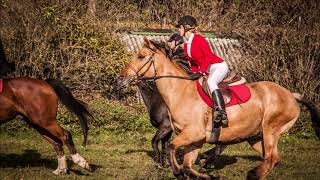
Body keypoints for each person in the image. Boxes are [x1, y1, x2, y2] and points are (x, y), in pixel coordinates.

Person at [175, 15, 229, 126]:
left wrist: (201, 71)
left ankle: (221, 112)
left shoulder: (199, 39)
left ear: (186, 28)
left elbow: (209, 56)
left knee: (211, 82)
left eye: (179, 27)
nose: (178, 30)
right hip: (207, 69)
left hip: (218, 66)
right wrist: (195, 73)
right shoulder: (185, 46)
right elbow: (194, 63)